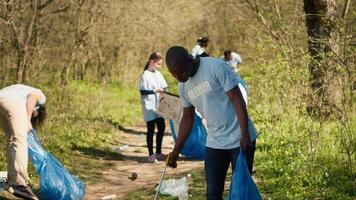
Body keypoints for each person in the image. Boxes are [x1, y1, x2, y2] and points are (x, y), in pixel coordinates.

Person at [165, 46, 257, 200]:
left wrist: (245, 134)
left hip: (240, 139)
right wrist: (176, 150)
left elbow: (237, 99)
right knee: (212, 194)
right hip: (215, 141)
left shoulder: (215, 67)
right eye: (174, 75)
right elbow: (187, 119)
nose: (179, 77)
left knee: (241, 191)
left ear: (190, 60)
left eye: (181, 72)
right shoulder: (183, 86)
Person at [0, 84, 47, 200]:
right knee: (20, 140)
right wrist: (27, 118)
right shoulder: (40, 95)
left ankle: (12, 181)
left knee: (12, 140)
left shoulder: (21, 90)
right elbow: (32, 97)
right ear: (38, 111)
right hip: (12, 102)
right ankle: (20, 184)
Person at [139, 52, 168, 163]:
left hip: (159, 106)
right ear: (152, 61)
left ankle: (158, 152)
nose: (159, 66)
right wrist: (154, 91)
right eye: (158, 64)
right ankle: (151, 154)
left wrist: (164, 92)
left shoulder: (158, 74)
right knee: (151, 129)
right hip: (149, 106)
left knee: (161, 128)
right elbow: (142, 91)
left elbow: (164, 86)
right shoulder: (144, 75)